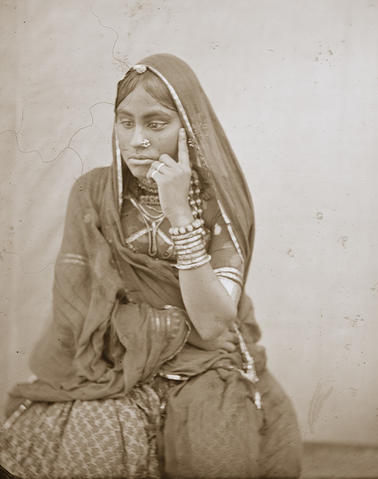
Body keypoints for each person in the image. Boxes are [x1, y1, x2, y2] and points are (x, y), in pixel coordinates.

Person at [0, 54, 302, 478]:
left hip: (202, 365)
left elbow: (212, 324)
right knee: (92, 443)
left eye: (155, 124)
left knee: (217, 452)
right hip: (110, 364)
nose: (137, 139)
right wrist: (145, 336)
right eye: (126, 122)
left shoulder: (219, 202)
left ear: (188, 130)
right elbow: (74, 315)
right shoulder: (93, 194)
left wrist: (180, 212)